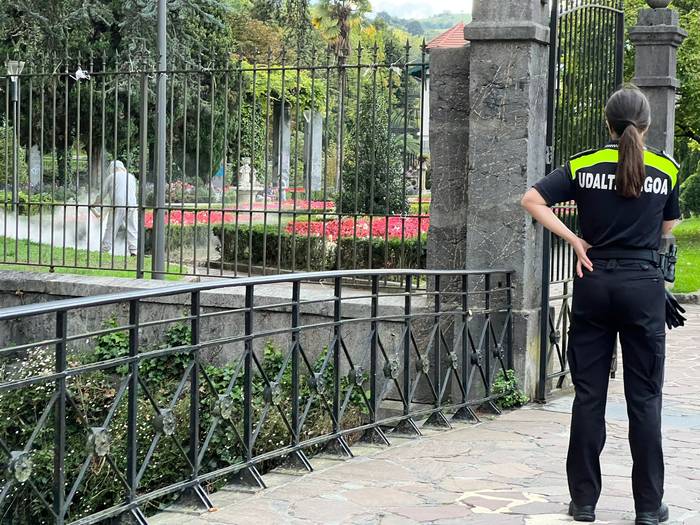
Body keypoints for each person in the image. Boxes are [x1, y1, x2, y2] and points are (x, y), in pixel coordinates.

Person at [521, 86, 680, 525]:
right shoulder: (665, 168)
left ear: (607, 124)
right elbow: (668, 223)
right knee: (645, 399)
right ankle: (649, 506)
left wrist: (574, 239)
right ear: (645, 126)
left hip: (594, 280)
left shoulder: (584, 164)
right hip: (644, 287)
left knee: (589, 396)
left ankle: (585, 502)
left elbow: (531, 199)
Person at [91, 160, 138, 256]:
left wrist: (95, 204)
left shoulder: (111, 177)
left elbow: (102, 194)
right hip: (132, 204)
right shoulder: (131, 177)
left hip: (117, 204)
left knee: (111, 227)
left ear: (112, 169)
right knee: (132, 228)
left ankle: (105, 249)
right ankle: (134, 251)